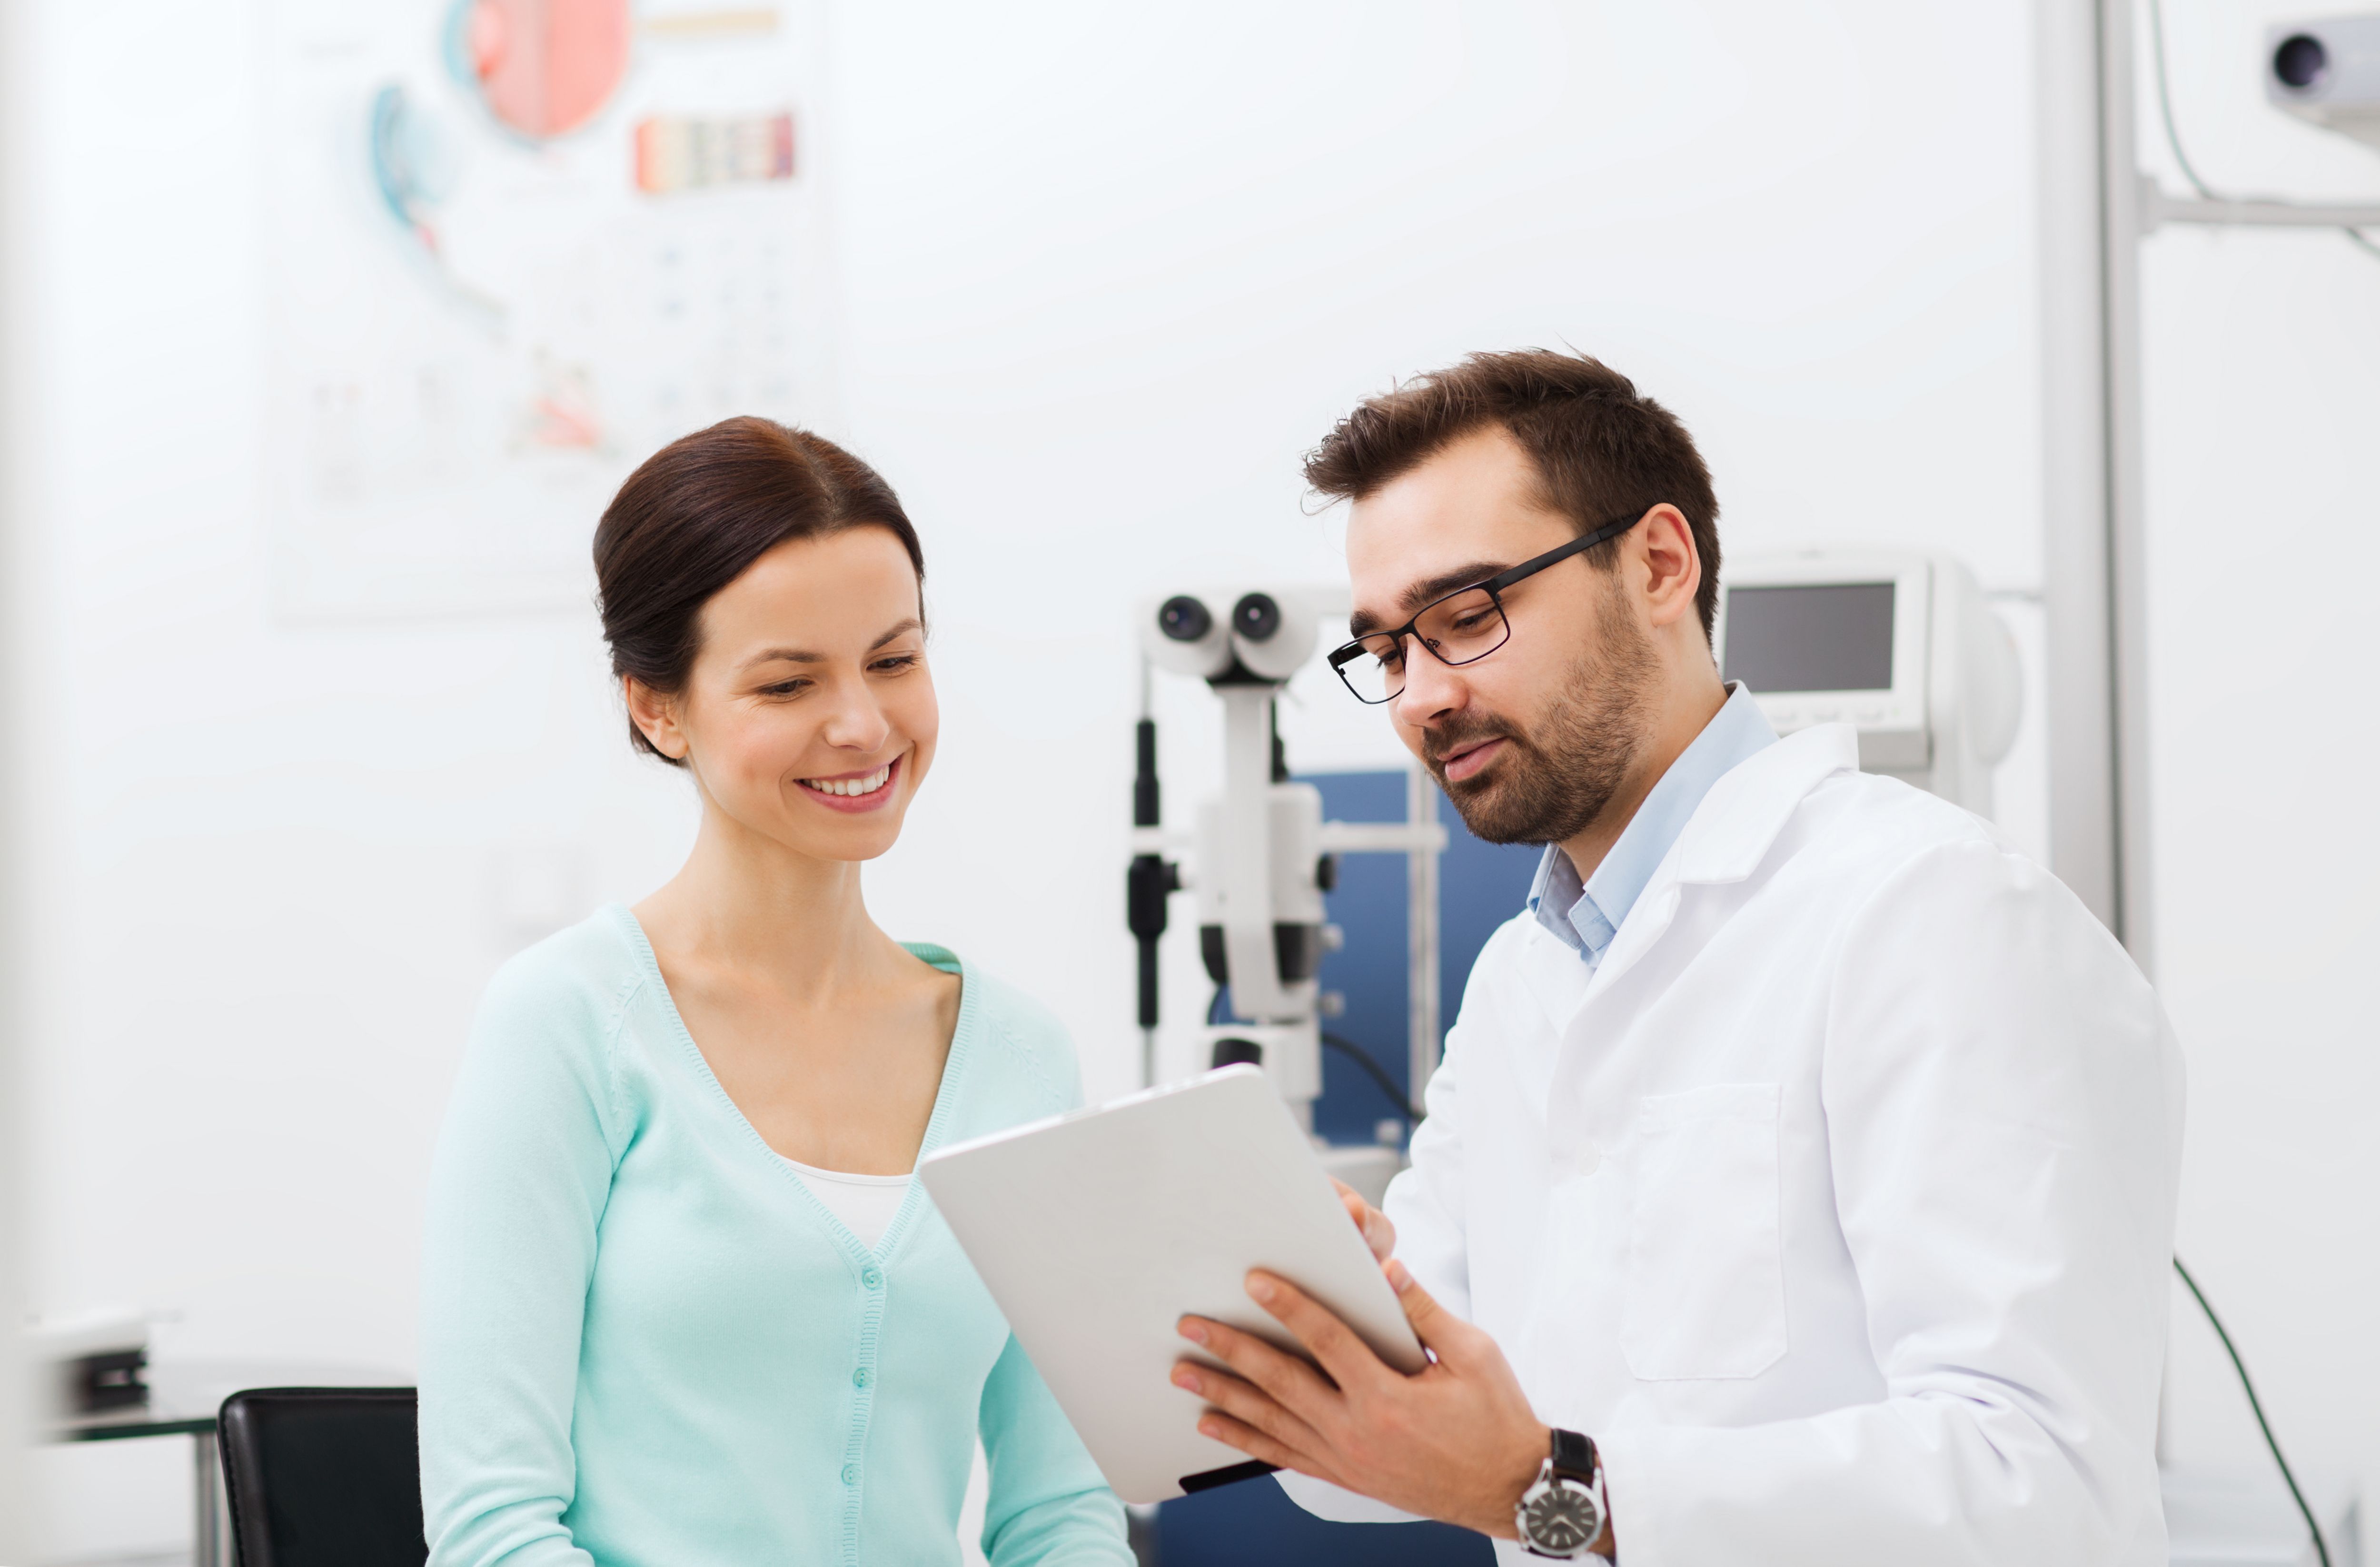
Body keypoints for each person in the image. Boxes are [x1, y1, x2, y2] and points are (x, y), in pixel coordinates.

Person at [1170, 350, 2184, 1563]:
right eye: (1388, 650)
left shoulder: (1934, 913)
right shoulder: (1516, 983)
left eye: (1466, 616)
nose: (1421, 698)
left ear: (1658, 562)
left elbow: (2047, 1488)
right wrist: (1323, 1326)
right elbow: (1386, 1469)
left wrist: (1558, 1489)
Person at [418, 417, 1132, 1567]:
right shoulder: (566, 1022)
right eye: (789, 680)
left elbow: (1060, 1514)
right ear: (658, 705)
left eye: (894, 659)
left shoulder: (1018, 1057)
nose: (862, 724)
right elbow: (492, 1527)